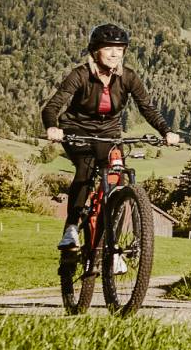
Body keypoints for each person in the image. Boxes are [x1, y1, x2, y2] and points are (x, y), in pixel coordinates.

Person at [42, 23, 181, 250]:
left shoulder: (128, 77)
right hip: (78, 128)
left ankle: (112, 247)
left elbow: (147, 108)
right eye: (108, 48)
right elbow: (52, 106)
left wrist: (166, 131)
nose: (115, 54)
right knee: (85, 168)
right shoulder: (80, 75)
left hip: (109, 131)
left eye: (120, 49)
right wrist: (52, 127)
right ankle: (71, 229)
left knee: (118, 176)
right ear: (96, 51)